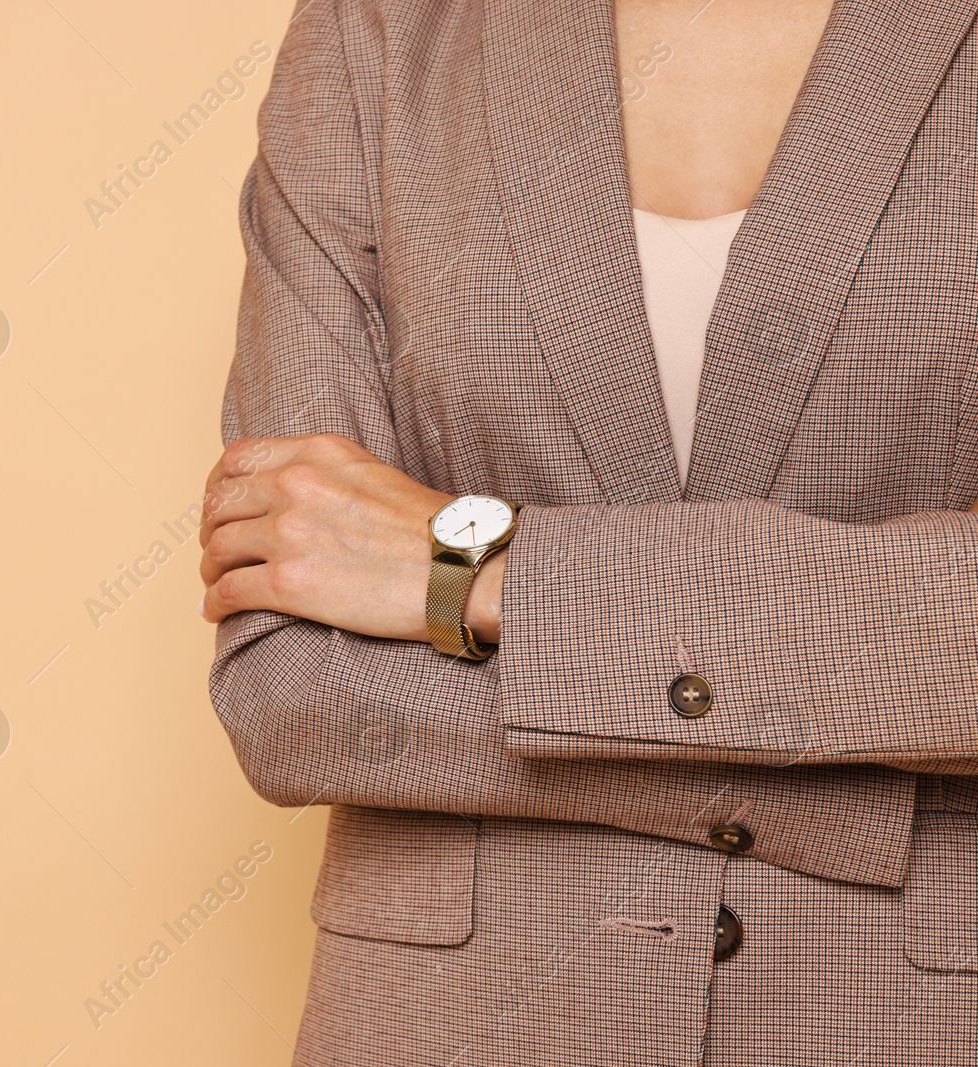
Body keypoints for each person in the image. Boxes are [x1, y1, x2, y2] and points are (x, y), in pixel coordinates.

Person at [198, 0, 978, 1063]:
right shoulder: (377, 29)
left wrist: (488, 569)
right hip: (453, 1020)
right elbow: (292, 692)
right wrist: (863, 737)